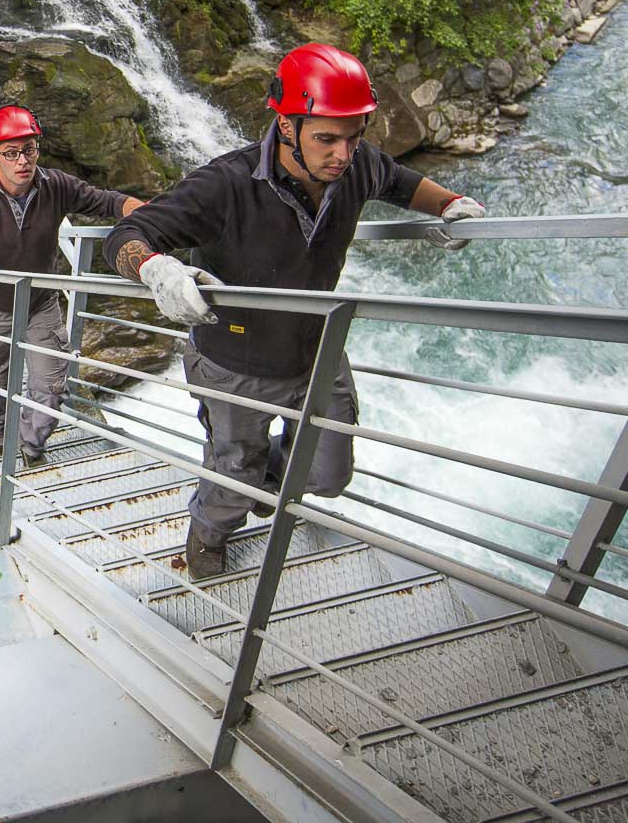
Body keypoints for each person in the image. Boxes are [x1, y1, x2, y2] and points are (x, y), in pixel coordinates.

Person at [101, 43, 486, 577]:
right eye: (326, 138)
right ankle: (207, 535)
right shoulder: (224, 185)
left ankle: (269, 480)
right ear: (285, 126)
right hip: (235, 363)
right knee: (233, 473)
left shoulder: (357, 166)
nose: (342, 155)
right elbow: (128, 233)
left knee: (328, 476)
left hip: (317, 352)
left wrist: (447, 203)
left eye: (353, 138)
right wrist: (155, 269)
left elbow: (399, 182)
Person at [0, 105, 146, 466]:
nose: (23, 160)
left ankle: (29, 446)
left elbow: (108, 201)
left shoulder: (55, 185)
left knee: (52, 384)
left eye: (30, 149)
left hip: (41, 304)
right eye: (11, 153)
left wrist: (156, 215)